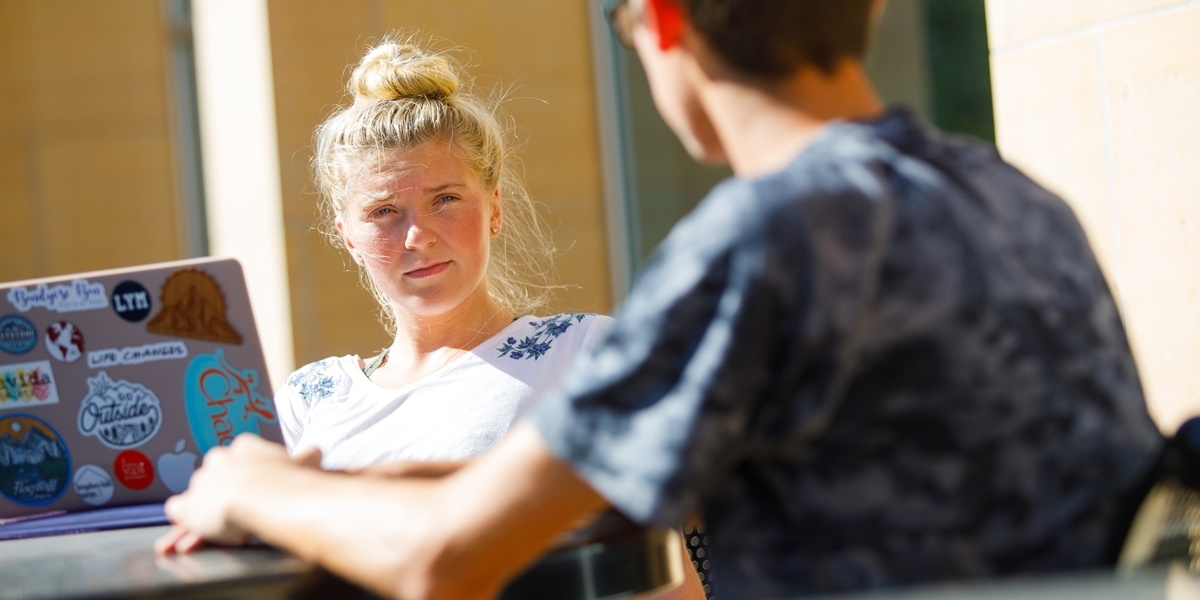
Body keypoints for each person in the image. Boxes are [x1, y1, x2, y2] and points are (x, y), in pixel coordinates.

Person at [158, 1, 1165, 599]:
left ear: (668, 21)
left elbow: (442, 563)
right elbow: (541, 488)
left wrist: (258, 488)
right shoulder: (1017, 201)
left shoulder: (764, 243)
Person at [274, 39, 612, 470]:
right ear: (349, 239)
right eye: (384, 211)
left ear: (494, 208)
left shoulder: (581, 353)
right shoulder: (306, 401)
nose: (418, 236)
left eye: (445, 199)